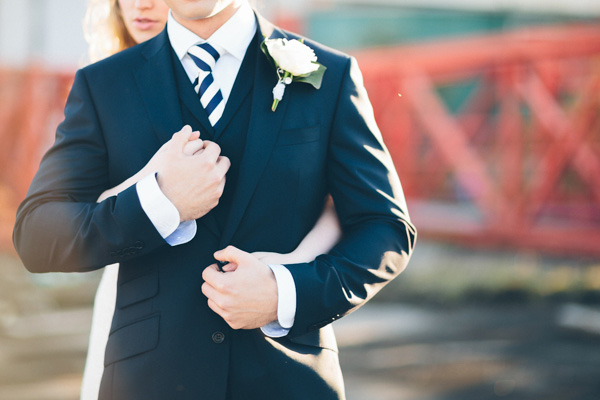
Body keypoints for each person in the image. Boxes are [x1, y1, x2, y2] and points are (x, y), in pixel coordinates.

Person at [13, 0, 417, 398]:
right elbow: (37, 234)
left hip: (289, 380)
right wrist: (160, 201)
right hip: (150, 382)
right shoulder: (102, 84)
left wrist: (285, 293)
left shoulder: (328, 74)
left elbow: (385, 227)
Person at [80, 1, 342, 399]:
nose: (142, 5)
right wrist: (158, 186)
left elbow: (346, 206)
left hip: (269, 328)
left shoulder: (305, 70)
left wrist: (287, 275)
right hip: (142, 315)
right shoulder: (103, 84)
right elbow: (76, 213)